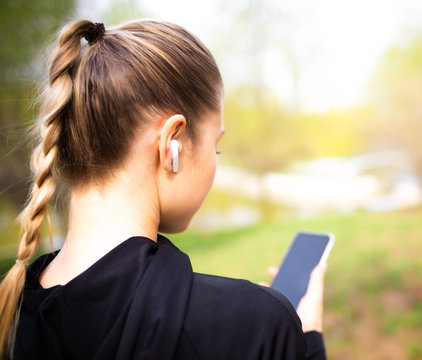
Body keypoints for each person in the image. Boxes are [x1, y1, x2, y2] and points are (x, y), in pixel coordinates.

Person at [0, 19, 328, 359]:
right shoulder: (256, 325)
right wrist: (302, 338)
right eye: (215, 147)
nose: (214, 161)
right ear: (172, 143)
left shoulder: (11, 314)